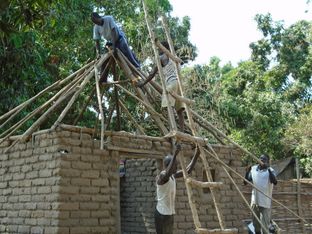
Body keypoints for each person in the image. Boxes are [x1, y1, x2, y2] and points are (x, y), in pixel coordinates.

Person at [138, 41, 185, 132]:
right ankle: (182, 131)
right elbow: (181, 63)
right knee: (179, 111)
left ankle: (173, 130)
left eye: (159, 48)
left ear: (163, 48)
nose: (158, 50)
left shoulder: (162, 57)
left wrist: (143, 83)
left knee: (168, 107)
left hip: (171, 83)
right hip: (179, 84)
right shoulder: (174, 57)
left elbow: (152, 74)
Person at [155, 144, 199, 234]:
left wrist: (197, 154)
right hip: (161, 214)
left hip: (170, 214)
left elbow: (188, 170)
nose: (177, 167)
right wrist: (175, 154)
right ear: (168, 165)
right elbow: (168, 172)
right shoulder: (162, 176)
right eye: (175, 165)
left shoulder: (172, 176)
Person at [244, 154, 277, 234]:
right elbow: (246, 182)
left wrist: (268, 168)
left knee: (264, 227)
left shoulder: (271, 170)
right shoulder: (254, 169)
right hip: (255, 201)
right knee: (256, 226)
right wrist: (247, 171)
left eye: (264, 159)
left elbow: (275, 182)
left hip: (265, 202)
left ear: (268, 161)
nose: (262, 160)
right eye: (261, 158)